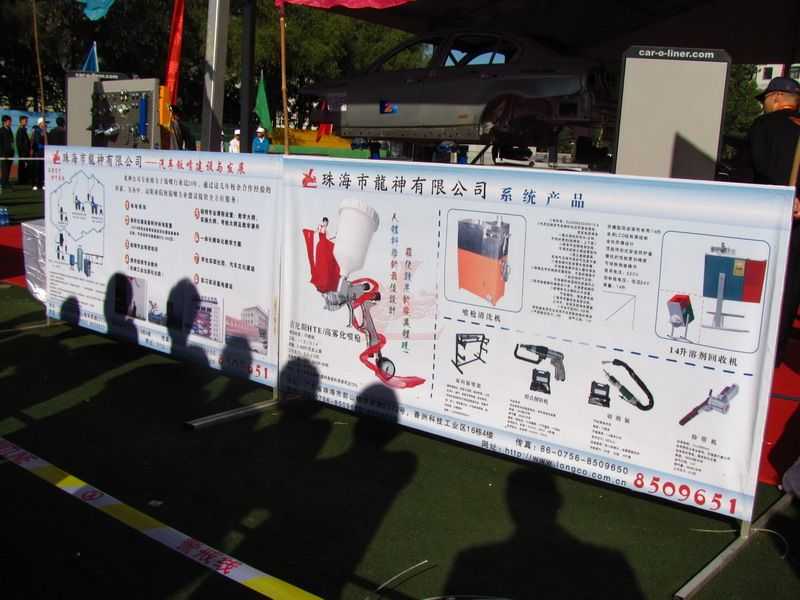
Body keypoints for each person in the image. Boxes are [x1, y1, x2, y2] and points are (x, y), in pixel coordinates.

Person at [748, 76, 800, 363]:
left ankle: (754, 346)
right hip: (796, 220)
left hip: (768, 217)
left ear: (777, 97)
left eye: (765, 99)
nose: (764, 105)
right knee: (791, 285)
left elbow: (757, 167)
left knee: (758, 280)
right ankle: (776, 351)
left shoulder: (764, 126)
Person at [30, 117, 47, 191]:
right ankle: (35, 184)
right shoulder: (37, 131)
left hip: (42, 153)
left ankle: (41, 183)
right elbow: (37, 142)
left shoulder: (43, 131)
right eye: (44, 123)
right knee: (37, 168)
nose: (45, 124)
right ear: (40, 124)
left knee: (42, 168)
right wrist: (44, 146)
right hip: (38, 153)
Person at [15, 115, 30, 186]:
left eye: (26, 120)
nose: (26, 122)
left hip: (25, 151)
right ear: (21, 121)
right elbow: (19, 143)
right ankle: (21, 180)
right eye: (25, 120)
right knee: (22, 165)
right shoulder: (20, 130)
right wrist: (21, 152)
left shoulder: (24, 130)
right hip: (23, 152)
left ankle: (24, 180)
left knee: (25, 166)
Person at [0, 115, 14, 190]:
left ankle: (6, 182)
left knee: (8, 168)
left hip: (10, 152)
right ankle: (4, 183)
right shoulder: (1, 130)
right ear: (4, 122)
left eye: (10, 121)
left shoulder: (9, 129)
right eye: (9, 121)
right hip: (4, 154)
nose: (10, 123)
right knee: (4, 169)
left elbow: (11, 141)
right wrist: (2, 154)